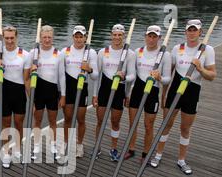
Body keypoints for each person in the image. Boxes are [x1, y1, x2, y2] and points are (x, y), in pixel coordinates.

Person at [150, 19, 216, 174]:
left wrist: (200, 69)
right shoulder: (177, 48)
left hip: (192, 92)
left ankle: (181, 160)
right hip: (174, 91)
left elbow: (212, 75)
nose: (192, 32)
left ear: (200, 32)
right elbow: (168, 73)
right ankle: (158, 155)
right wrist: (163, 96)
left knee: (185, 128)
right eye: (189, 30)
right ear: (185, 32)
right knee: (166, 124)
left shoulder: (208, 50)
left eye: (195, 30)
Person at [125, 25, 172, 163]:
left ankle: (145, 154)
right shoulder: (137, 52)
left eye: (154, 37)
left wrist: (159, 78)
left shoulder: (165, 55)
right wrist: (127, 94)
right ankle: (131, 149)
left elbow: (167, 79)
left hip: (153, 92)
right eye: (149, 36)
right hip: (137, 90)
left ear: (159, 38)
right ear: (145, 36)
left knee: (148, 125)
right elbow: (131, 75)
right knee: (133, 123)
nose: (151, 39)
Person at [94, 24, 136, 161]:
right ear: (111, 35)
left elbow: (132, 76)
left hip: (119, 91)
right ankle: (97, 147)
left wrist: (124, 77)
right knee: (100, 120)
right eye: (115, 34)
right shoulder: (103, 52)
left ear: (123, 36)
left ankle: (113, 148)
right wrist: (95, 94)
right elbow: (96, 75)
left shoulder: (130, 53)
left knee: (115, 121)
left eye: (120, 35)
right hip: (104, 90)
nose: (117, 37)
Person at [0, 25, 31, 169]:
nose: (9, 41)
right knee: (6, 125)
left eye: (11, 38)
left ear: (16, 37)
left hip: (19, 93)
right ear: (3, 38)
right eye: (6, 38)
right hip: (4, 93)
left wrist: (31, 100)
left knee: (19, 124)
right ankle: (6, 152)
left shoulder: (25, 54)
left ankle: (18, 150)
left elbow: (26, 80)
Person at [59, 25, 98, 158]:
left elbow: (95, 76)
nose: (79, 39)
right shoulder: (65, 51)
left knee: (81, 119)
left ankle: (79, 145)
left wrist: (89, 69)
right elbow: (61, 75)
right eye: (76, 36)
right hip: (68, 88)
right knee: (68, 118)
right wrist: (62, 94)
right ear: (73, 37)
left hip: (82, 87)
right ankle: (65, 143)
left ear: (85, 38)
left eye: (81, 37)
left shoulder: (91, 53)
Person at [29, 25, 62, 160]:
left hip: (53, 92)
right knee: (37, 120)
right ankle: (36, 147)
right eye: (44, 37)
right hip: (38, 92)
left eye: (49, 37)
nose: (47, 40)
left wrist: (63, 95)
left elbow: (62, 77)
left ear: (52, 38)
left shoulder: (58, 54)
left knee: (52, 121)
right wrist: (31, 70)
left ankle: (53, 146)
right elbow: (26, 75)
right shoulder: (33, 53)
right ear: (40, 38)